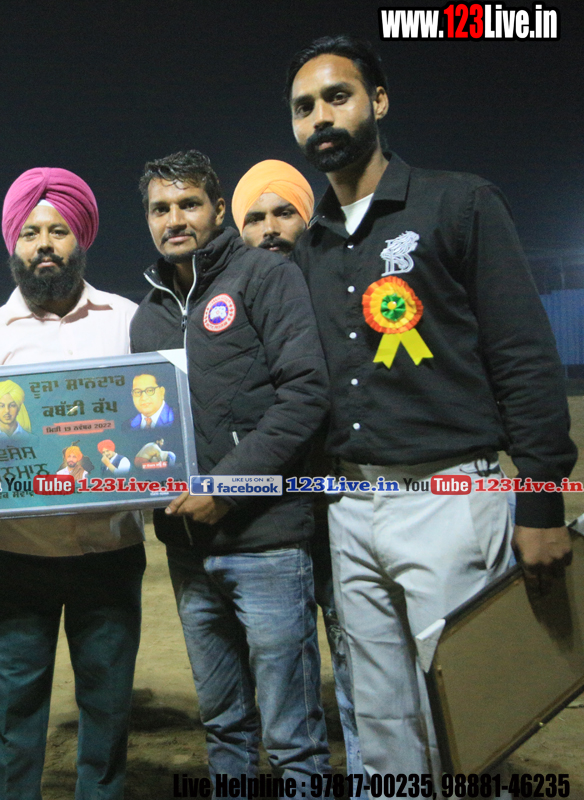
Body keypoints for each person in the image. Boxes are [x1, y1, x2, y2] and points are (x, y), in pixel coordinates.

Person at [285, 34, 577, 779]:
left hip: (451, 498)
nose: (321, 117)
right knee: (383, 728)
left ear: (379, 101)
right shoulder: (312, 246)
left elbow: (523, 354)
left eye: (338, 97)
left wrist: (541, 500)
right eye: (304, 107)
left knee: (472, 723)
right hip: (351, 507)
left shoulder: (459, 202)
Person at [129, 149, 331, 781]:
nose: (175, 219)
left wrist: (227, 487)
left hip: (268, 541)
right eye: (160, 209)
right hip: (188, 551)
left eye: (189, 204)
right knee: (222, 725)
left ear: (218, 209)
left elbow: (305, 394)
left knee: (292, 736)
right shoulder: (147, 315)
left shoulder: (265, 278)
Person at [0, 167, 145, 799]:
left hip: (110, 550)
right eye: (30, 233)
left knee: (108, 707)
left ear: (81, 237)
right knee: (13, 711)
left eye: (58, 230)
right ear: (14, 244)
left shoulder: (129, 321)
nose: (45, 245)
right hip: (17, 553)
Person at [231, 159, 361, 776]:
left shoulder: (339, 289)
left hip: (343, 511)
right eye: (255, 218)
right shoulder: (231, 306)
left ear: (308, 217)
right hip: (268, 525)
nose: (270, 229)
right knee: (283, 681)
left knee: (360, 670)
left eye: (284, 212)